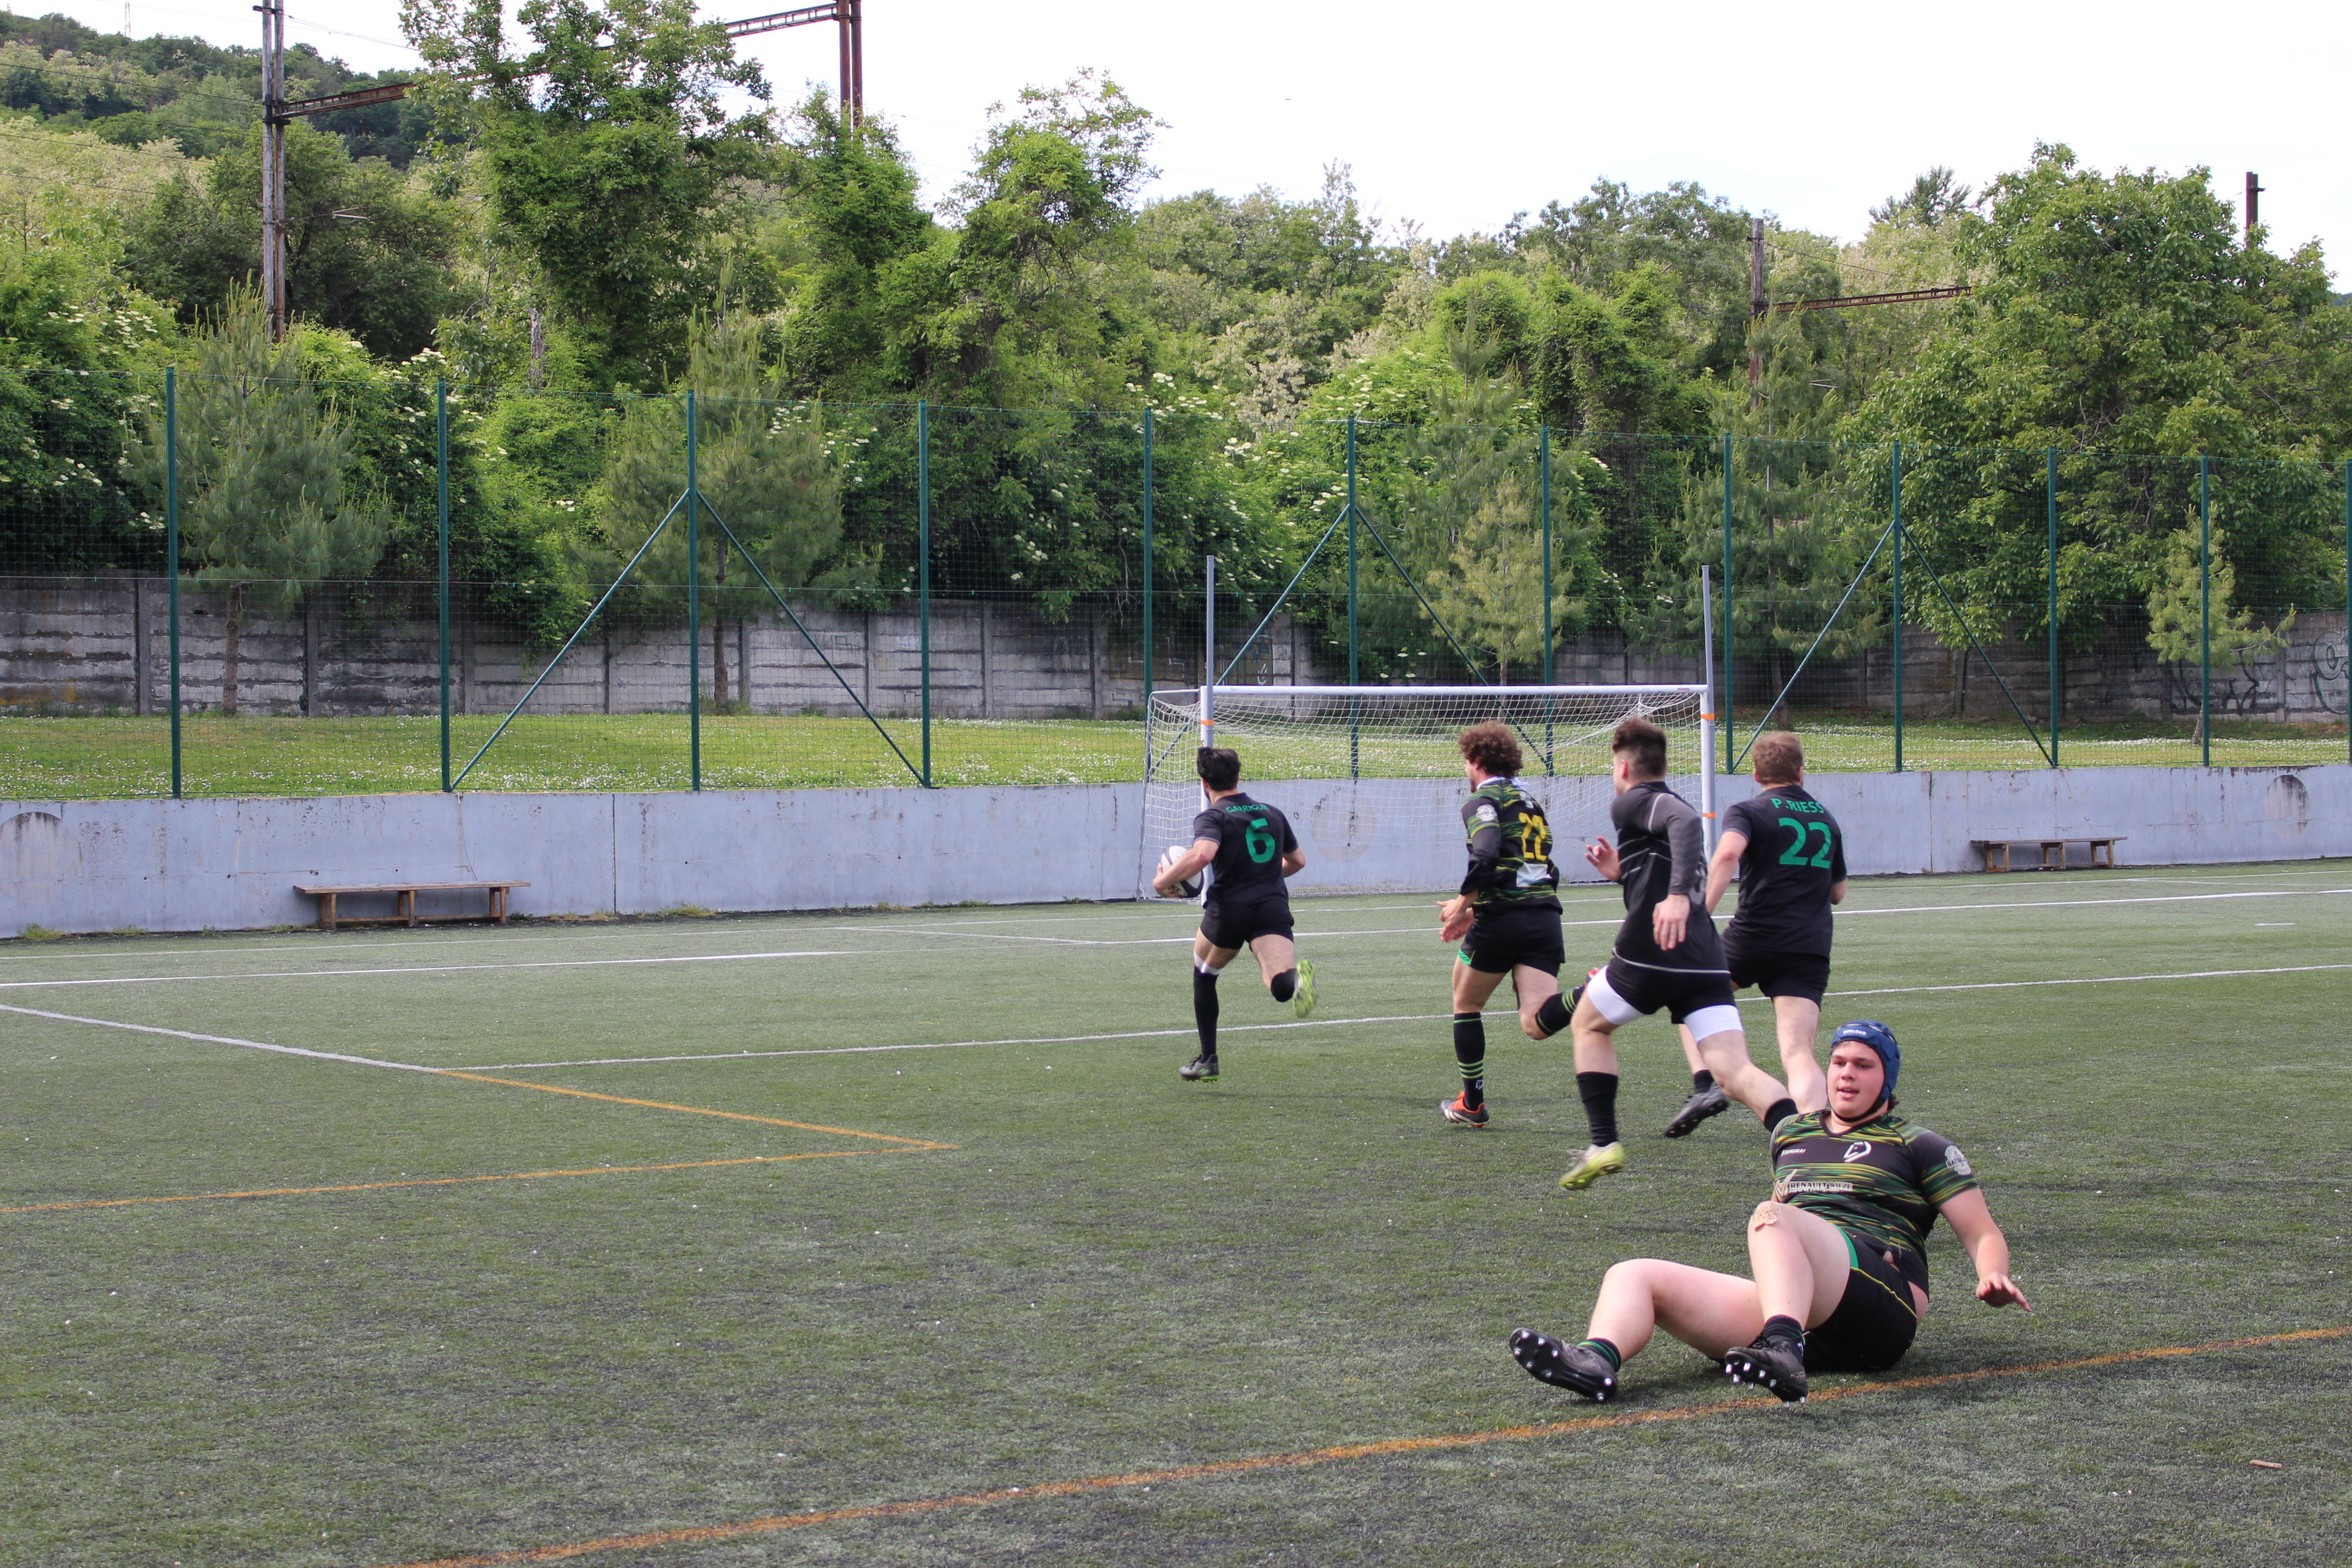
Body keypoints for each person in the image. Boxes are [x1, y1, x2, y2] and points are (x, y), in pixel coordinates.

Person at [1509, 1019, 2030, 1404]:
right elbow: (1736, 1077)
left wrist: (1994, 1275)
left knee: (1773, 1217)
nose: (1846, 1074)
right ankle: (1596, 1361)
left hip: (1881, 1310)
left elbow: (1981, 1232)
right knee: (1633, 1273)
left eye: (1863, 1065)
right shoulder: (1792, 1132)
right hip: (1806, 1314)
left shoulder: (1920, 1144)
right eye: (1839, 1063)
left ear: (1887, 1078)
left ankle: (1782, 1348)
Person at [1557, 716, 1797, 1191]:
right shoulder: (1660, 806)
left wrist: (1677, 896)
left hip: (1652, 952)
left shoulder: (1633, 801)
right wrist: (1624, 872)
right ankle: (1810, 1152)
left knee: (1587, 1024)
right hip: (1704, 957)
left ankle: (1603, 1143)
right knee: (1735, 1071)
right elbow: (1670, 847)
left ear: (1623, 768)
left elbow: (1686, 823)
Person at [1661, 732, 1848, 1138]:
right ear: (1801, 772)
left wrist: (1699, 914)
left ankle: (1707, 1081)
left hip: (1754, 937)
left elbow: (1728, 853)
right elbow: (1838, 892)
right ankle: (1818, 1141)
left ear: (1756, 774)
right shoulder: (1826, 818)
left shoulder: (1748, 810)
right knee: (1797, 1052)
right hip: (1809, 945)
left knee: (1686, 990)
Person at [1151, 747, 1315, 1081]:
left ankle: (1208, 1060)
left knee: (1204, 972)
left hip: (1230, 910)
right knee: (1280, 987)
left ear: (1204, 783)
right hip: (1271, 906)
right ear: (1238, 776)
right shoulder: (1272, 813)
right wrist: (1263, 877)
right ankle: (1298, 980)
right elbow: (1298, 861)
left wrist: (1161, 882)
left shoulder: (1213, 816)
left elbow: (1202, 854)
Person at [1435, 722, 1566, 1128]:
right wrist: (1475, 909)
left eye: (1465, 761)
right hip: (1544, 919)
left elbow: (1487, 852)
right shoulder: (1530, 802)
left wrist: (1463, 904)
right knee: (1536, 1023)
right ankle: (1592, 992)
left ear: (1475, 760)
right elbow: (1546, 868)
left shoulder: (1482, 801)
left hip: (1502, 922)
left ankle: (1473, 1104)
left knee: (1465, 1002)